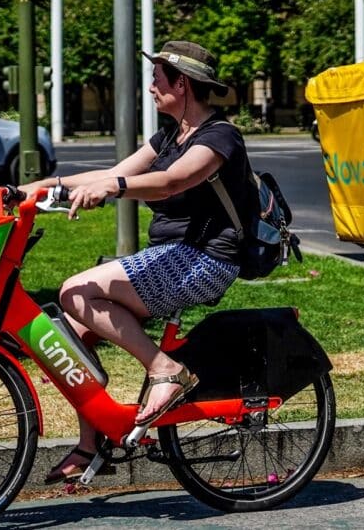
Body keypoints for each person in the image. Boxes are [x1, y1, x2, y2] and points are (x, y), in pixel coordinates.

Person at [18, 40, 253, 485]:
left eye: (157, 79)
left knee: (73, 291)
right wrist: (40, 187)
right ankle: (92, 447)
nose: (150, 88)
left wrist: (115, 188)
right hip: (167, 257)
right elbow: (112, 173)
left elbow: (169, 182)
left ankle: (168, 370)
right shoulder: (169, 136)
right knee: (71, 338)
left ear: (180, 84)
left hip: (204, 260)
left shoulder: (219, 136)